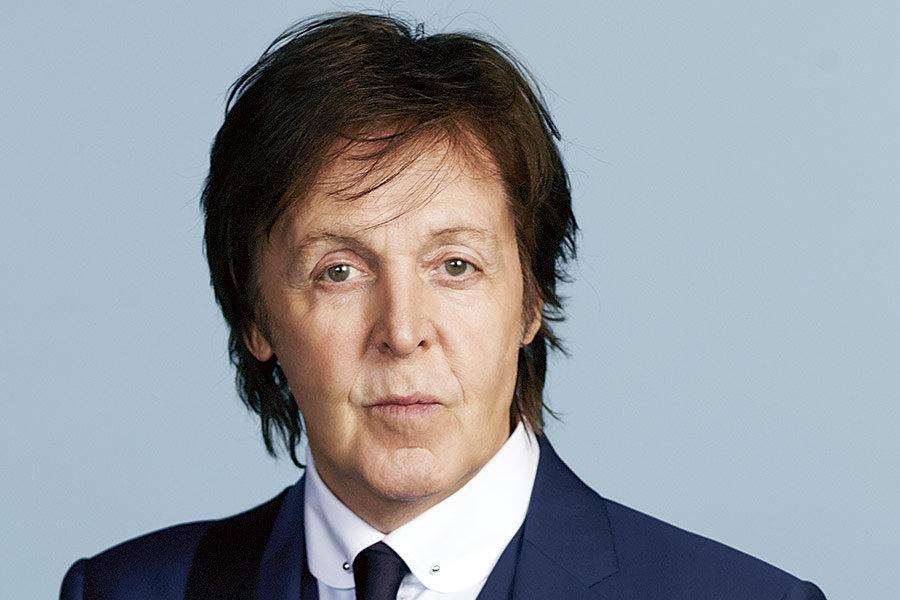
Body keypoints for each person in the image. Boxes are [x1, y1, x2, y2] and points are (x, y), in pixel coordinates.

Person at [61, 12, 826, 600]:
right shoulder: (124, 591)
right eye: (339, 271)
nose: (402, 331)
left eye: (455, 266)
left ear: (531, 300)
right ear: (254, 316)